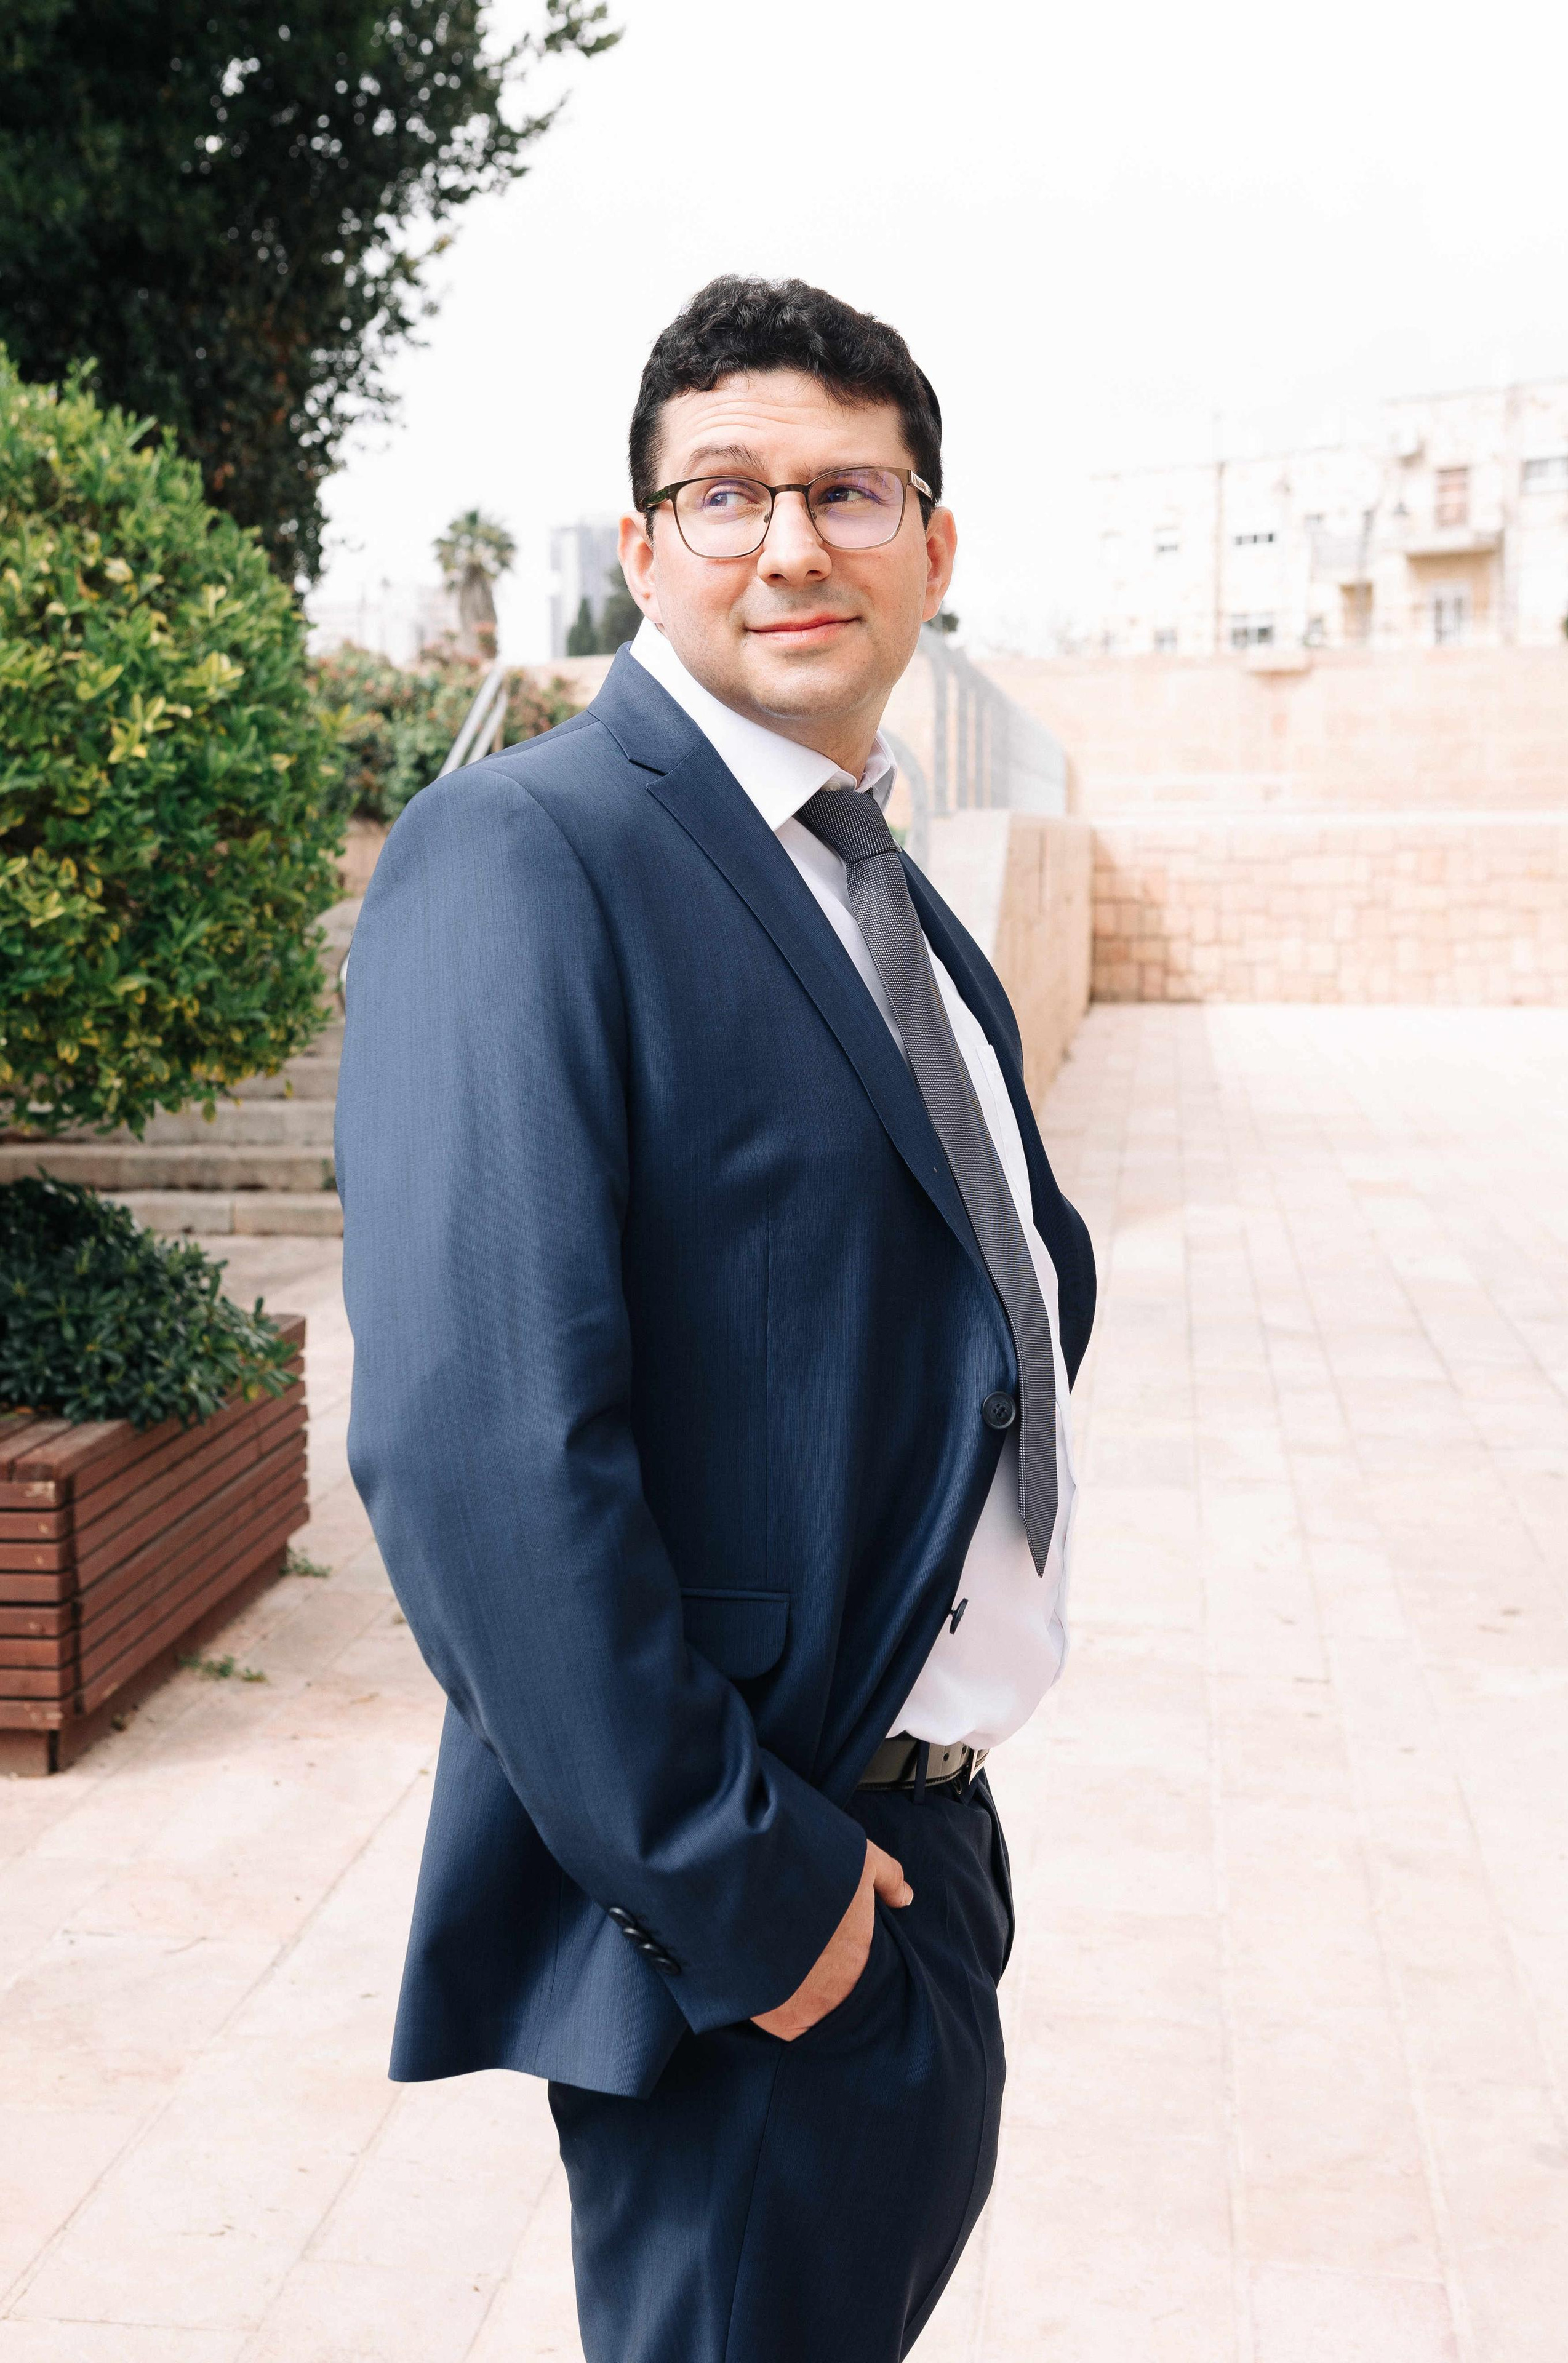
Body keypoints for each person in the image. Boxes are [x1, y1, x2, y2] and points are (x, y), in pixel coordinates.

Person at [337, 274, 1096, 2363]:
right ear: (643, 545)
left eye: (849, 493)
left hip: (923, 1845)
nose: (790, 545)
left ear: (933, 544)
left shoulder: (881, 885)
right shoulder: (524, 855)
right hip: (758, 1908)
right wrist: (754, 1898)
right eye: (727, 493)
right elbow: (480, 1453)